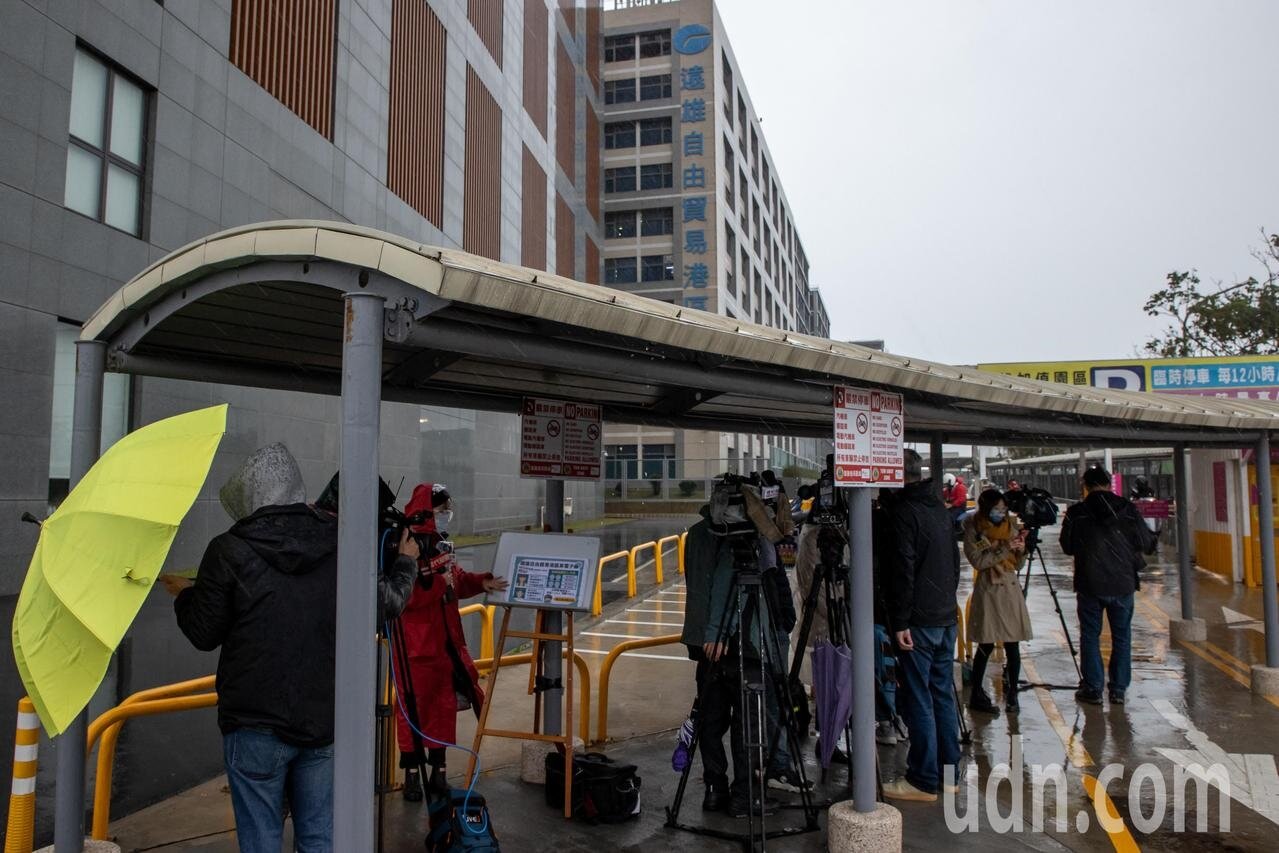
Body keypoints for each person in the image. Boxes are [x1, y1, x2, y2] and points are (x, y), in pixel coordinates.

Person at [163, 444, 415, 853]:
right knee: (318, 836)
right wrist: (405, 562)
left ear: (250, 499)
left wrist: (187, 596)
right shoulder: (342, 541)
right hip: (323, 720)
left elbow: (203, 633)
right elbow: (384, 606)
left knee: (261, 838)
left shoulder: (228, 549)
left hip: (253, 723)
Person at [681, 479, 792, 818]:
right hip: (740, 642)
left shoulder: (696, 534)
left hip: (703, 644)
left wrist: (705, 633)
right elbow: (724, 585)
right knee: (748, 723)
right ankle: (746, 795)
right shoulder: (740, 537)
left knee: (711, 720)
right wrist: (718, 631)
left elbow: (695, 583)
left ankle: (714, 789)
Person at [394, 483, 508, 800]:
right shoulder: (406, 546)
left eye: (448, 510)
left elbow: (455, 580)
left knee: (442, 710)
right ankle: (412, 776)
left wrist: (482, 581)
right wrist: (436, 585)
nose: (447, 515)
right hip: (414, 648)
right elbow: (402, 596)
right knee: (411, 711)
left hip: (445, 644)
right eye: (442, 510)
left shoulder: (441, 544)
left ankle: (439, 774)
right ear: (427, 511)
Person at [883, 449, 961, 803]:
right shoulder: (938, 509)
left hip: (918, 622)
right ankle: (949, 774)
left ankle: (923, 779)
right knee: (941, 695)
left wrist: (900, 621)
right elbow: (954, 565)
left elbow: (902, 569)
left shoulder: (904, 512)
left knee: (919, 698)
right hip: (944, 617)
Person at [1060, 466, 1157, 706]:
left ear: (1085, 485)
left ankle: (1093, 688)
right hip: (1122, 583)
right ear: (1108, 483)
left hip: (1090, 583)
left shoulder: (1077, 512)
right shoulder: (1127, 508)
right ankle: (1118, 689)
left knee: (1090, 636)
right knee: (1122, 637)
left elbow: (1067, 547)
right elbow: (1146, 542)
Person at [962, 489, 1033, 715]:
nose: (1000, 513)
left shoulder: (1011, 527)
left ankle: (1012, 693)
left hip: (1010, 589)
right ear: (986, 508)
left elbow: (1018, 564)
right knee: (986, 643)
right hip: (989, 590)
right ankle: (977, 692)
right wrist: (1005, 549)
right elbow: (979, 561)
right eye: (996, 509)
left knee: (1013, 643)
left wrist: (1022, 550)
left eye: (1003, 509)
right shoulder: (973, 528)